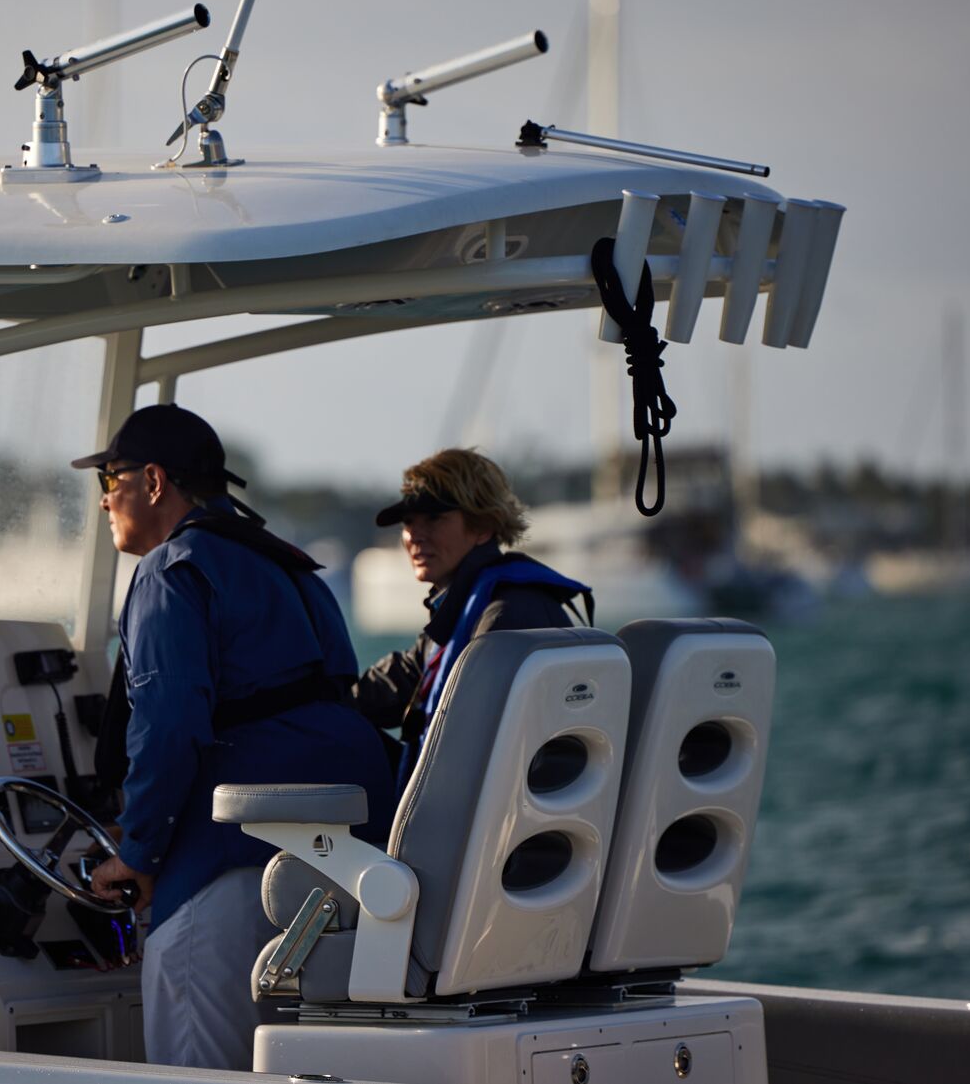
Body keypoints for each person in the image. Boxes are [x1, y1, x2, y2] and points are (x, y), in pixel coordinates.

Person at [76, 404, 394, 1072]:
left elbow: (168, 725)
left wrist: (136, 852)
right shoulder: (292, 567)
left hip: (232, 854)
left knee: (198, 1054)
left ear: (154, 481)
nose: (105, 499)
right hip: (345, 857)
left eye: (110, 478)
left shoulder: (171, 570)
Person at [353, 448, 593, 785]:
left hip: (505, 822)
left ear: (482, 526)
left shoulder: (507, 618)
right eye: (409, 522)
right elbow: (401, 680)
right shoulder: (463, 610)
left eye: (433, 518)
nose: (414, 535)